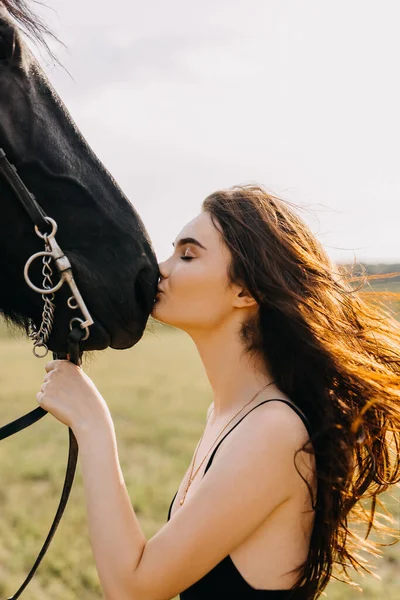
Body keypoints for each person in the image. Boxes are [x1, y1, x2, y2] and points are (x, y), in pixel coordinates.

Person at [37, 184, 400, 600]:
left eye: (187, 255)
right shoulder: (231, 413)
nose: (162, 268)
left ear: (245, 292)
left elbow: (132, 587)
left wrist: (93, 425)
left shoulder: (273, 431)